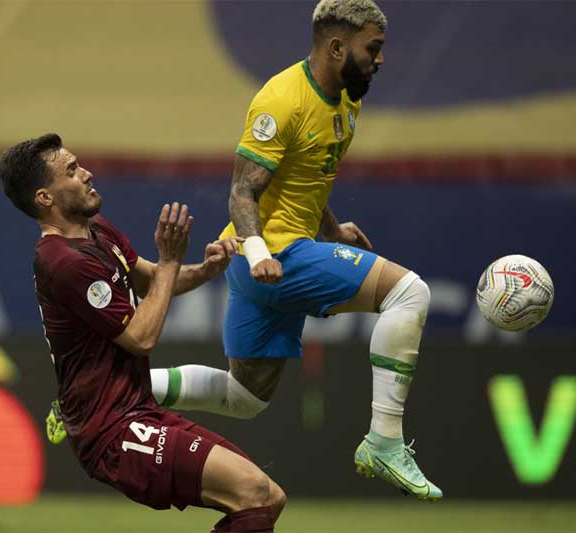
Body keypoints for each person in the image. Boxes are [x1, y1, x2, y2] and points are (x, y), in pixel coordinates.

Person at [151, 0, 442, 500]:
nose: (380, 59)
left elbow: (310, 174)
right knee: (410, 294)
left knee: (244, 398)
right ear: (336, 46)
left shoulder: (347, 97)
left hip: (271, 260)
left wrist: (331, 228)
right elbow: (243, 190)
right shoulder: (281, 99)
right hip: (272, 257)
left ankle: (102, 389)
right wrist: (261, 250)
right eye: (372, 49)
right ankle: (384, 440)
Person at [0, 133, 285, 532]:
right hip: (111, 432)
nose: (87, 173)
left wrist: (201, 270)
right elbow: (140, 337)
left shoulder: (97, 231)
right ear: (45, 198)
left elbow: (151, 280)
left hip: (139, 411)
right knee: (251, 490)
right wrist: (170, 260)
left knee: (268, 497)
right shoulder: (62, 261)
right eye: (72, 170)